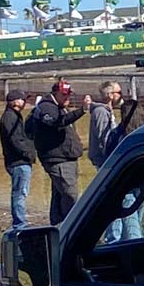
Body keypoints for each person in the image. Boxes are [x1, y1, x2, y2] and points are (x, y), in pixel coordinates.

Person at [90, 80, 144, 240]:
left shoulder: (122, 132)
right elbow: (105, 144)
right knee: (131, 216)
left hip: (129, 180)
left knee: (132, 216)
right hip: (130, 179)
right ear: (110, 95)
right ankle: (129, 243)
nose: (121, 96)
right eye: (119, 93)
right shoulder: (102, 113)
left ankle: (134, 243)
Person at [29, 79, 90, 223]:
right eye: (64, 95)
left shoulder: (59, 106)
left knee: (59, 196)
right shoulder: (46, 108)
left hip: (66, 158)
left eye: (69, 95)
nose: (67, 98)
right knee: (71, 194)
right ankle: (73, 226)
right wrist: (82, 110)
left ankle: (58, 228)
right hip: (58, 160)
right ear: (55, 93)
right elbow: (58, 121)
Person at [0, 89, 36, 228]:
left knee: (21, 192)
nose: (25, 102)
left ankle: (20, 222)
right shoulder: (9, 117)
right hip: (18, 162)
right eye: (22, 99)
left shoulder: (15, 116)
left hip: (20, 161)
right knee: (20, 193)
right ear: (15, 101)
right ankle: (20, 224)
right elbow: (16, 140)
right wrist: (28, 154)